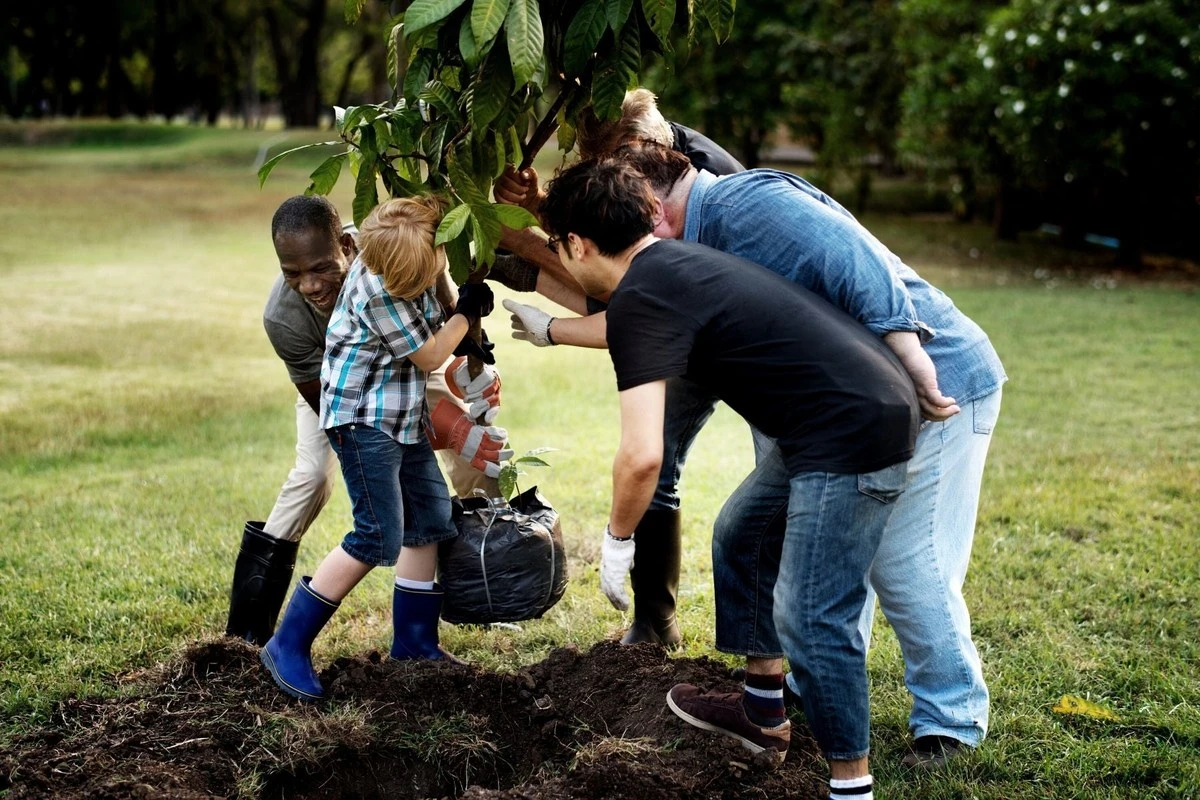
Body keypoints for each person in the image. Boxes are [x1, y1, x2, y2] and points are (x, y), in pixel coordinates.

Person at [514, 143, 1007, 767]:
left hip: (932, 380)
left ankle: (947, 720)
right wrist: (550, 326)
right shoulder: (677, 254)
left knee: (898, 567)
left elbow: (859, 260)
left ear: (655, 209)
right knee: (746, 533)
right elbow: (634, 315)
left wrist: (913, 357)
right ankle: (771, 701)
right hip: (833, 408)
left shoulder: (747, 206)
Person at [490, 88, 745, 647]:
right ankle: (655, 623)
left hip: (753, 342)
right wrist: (537, 210)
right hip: (690, 320)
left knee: (753, 507)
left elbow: (635, 299)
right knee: (662, 463)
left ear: (641, 148)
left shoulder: (703, 188)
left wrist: (528, 248)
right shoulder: (644, 160)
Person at [225, 196, 509, 648]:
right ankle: (260, 635)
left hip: (400, 376)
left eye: (321, 268)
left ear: (347, 246)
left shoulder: (396, 245)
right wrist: (446, 425)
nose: (309, 285)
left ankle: (441, 622)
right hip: (347, 398)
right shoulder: (294, 316)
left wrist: (468, 359)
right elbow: (341, 406)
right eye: (293, 274)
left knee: (436, 507)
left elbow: (439, 317)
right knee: (334, 495)